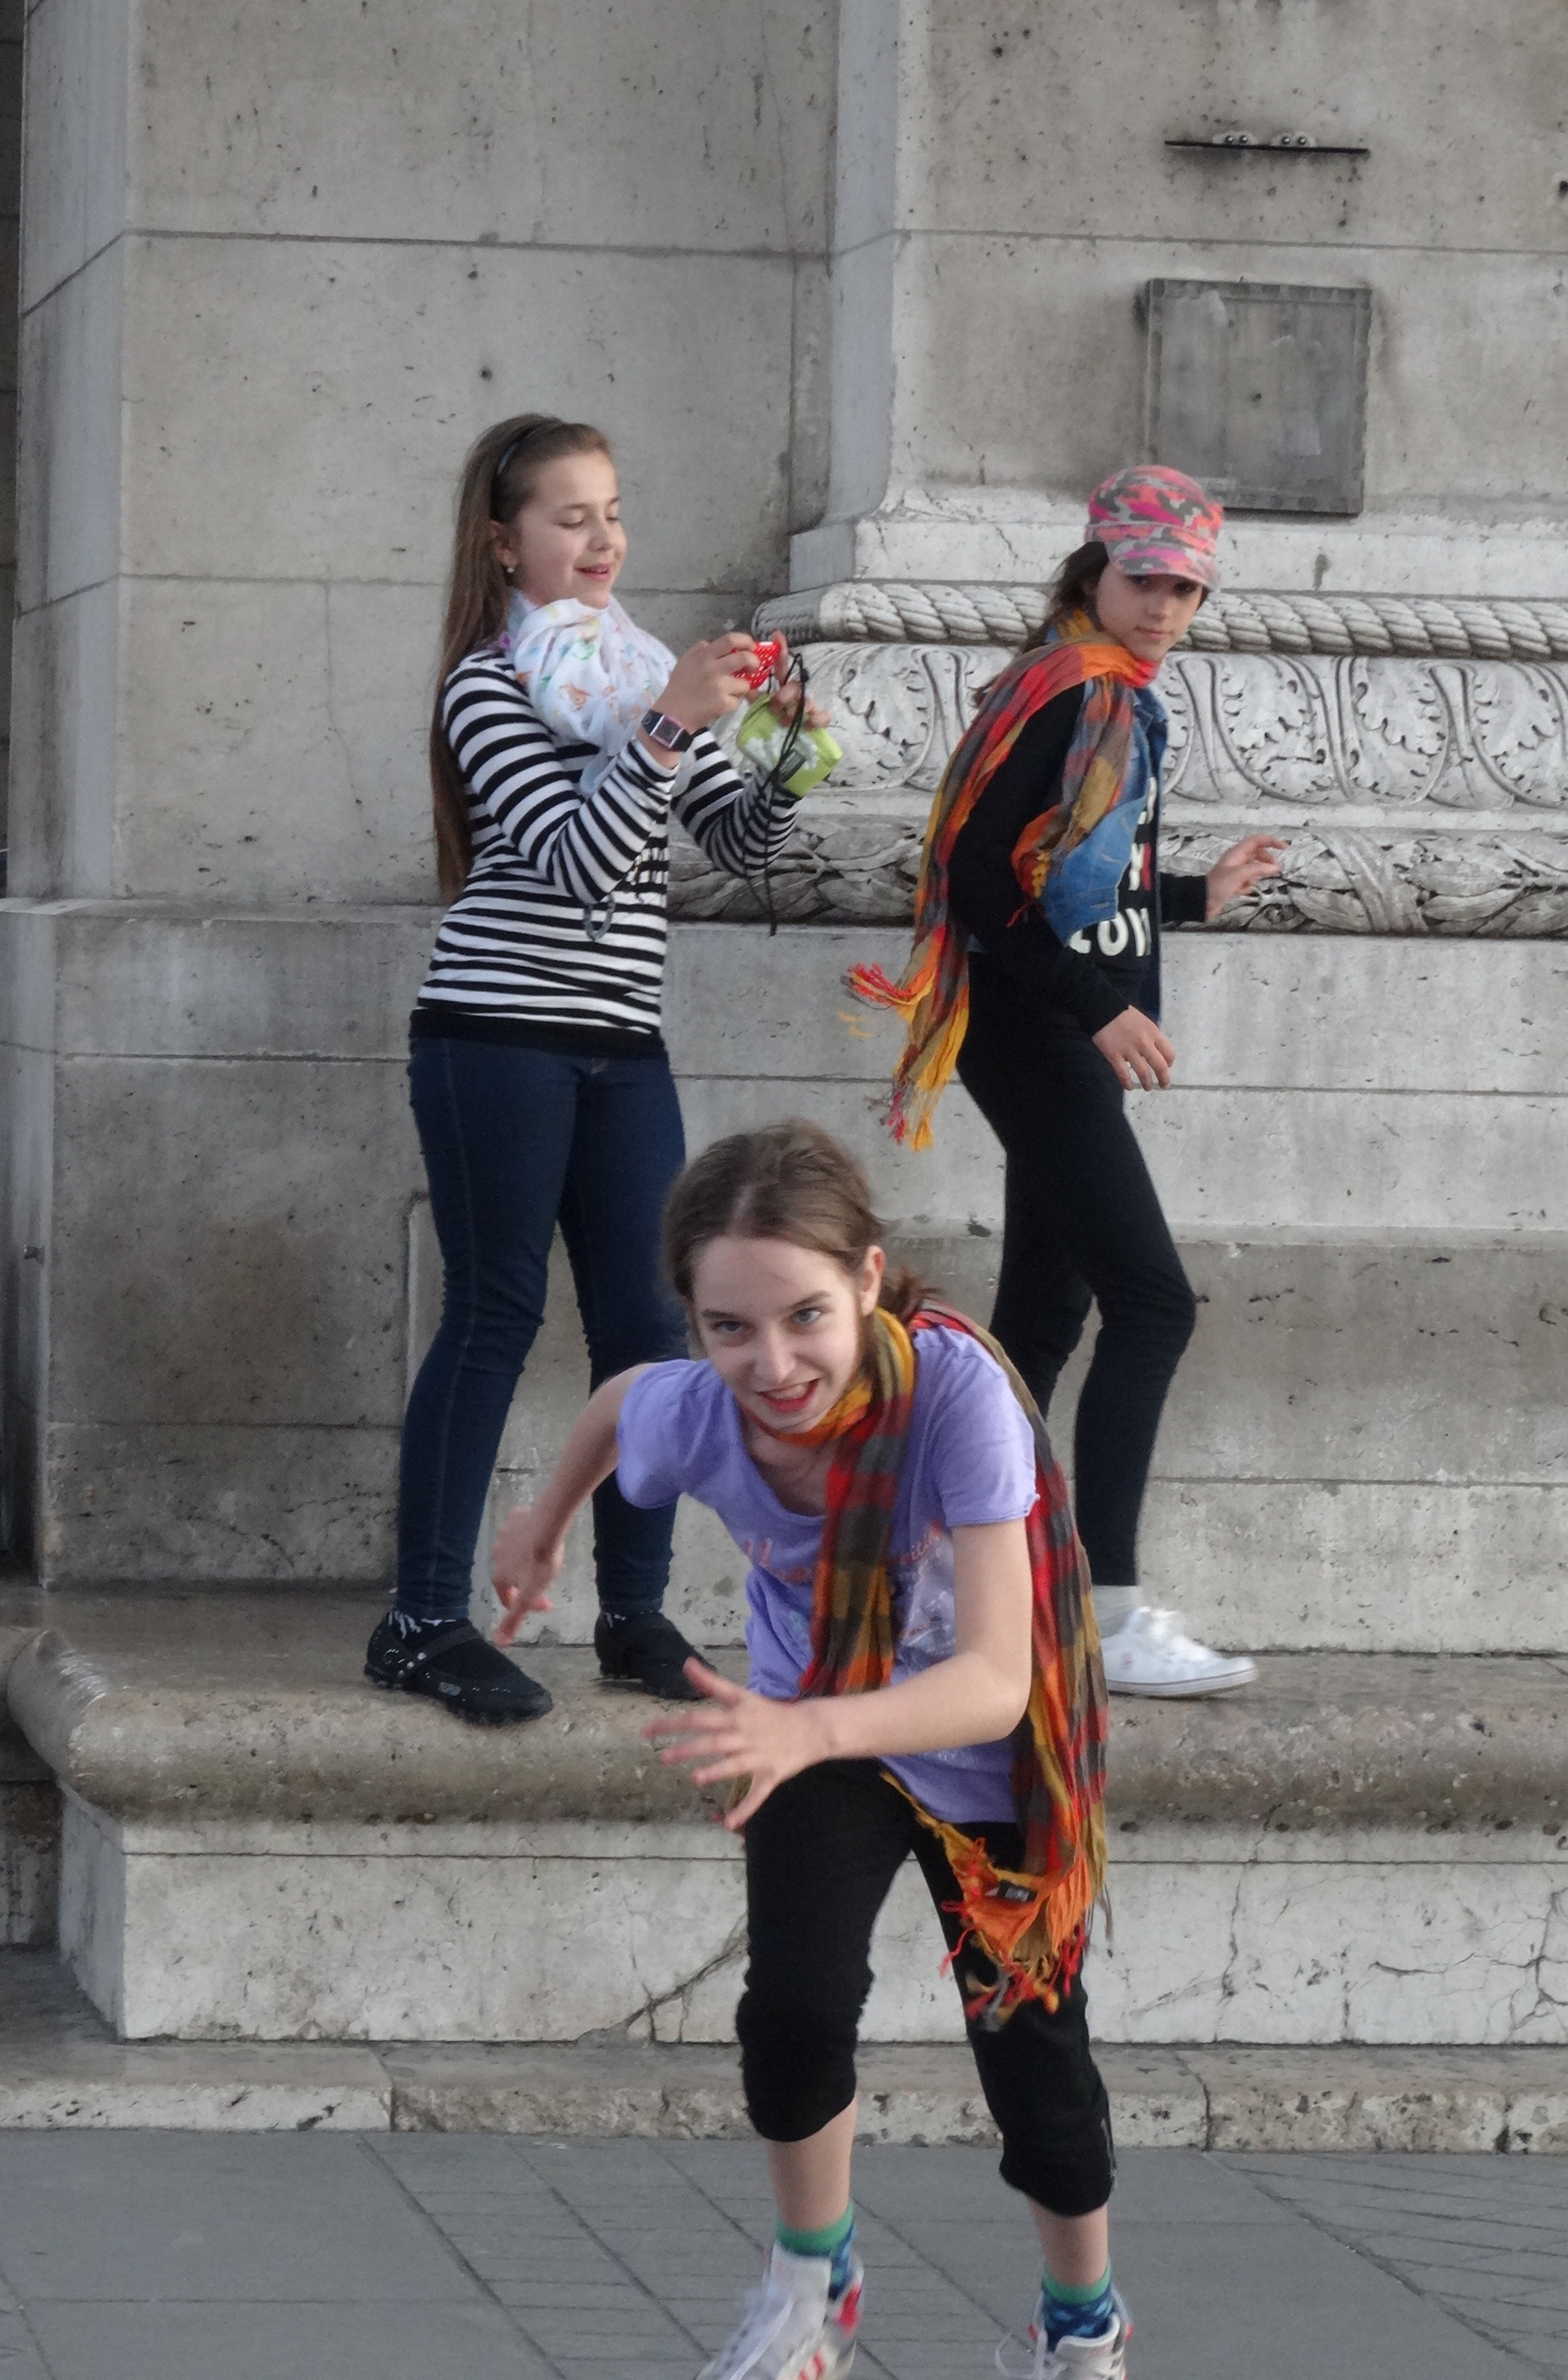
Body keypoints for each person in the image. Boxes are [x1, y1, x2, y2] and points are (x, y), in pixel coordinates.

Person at [490, 1119, 1133, 2380]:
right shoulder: (699, 1411)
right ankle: (812, 2285)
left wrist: (803, 1727)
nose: (773, 1364)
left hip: (980, 1749)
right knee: (791, 2011)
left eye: (805, 1317)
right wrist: (543, 1518)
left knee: (1035, 2070)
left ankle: (1081, 2323)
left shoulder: (957, 1398)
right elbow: (622, 1404)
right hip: (817, 1727)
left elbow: (993, 1682)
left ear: (869, 1282)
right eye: (728, 1327)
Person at [364, 413, 822, 1725]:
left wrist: (789, 744)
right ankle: (420, 1621)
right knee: (495, 1312)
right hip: (493, 1036)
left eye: (613, 511)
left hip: (624, 1044)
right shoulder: (486, 683)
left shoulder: (633, 671)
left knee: (649, 1331)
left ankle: (633, 1618)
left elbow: (733, 840)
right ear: (504, 544)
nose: (604, 538)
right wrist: (670, 725)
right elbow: (572, 864)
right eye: (571, 517)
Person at [849, 465, 1284, 1699]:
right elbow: (979, 874)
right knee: (1155, 1304)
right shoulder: (1073, 690)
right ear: (1096, 569)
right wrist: (1099, 1009)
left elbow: (1081, 879)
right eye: (1146, 580)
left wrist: (1195, 896)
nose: (1165, 607)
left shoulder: (1096, 690)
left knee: (1042, 1323)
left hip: (1052, 1027)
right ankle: (1110, 1610)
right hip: (1038, 1029)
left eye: (1187, 591)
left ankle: (938, 1586)